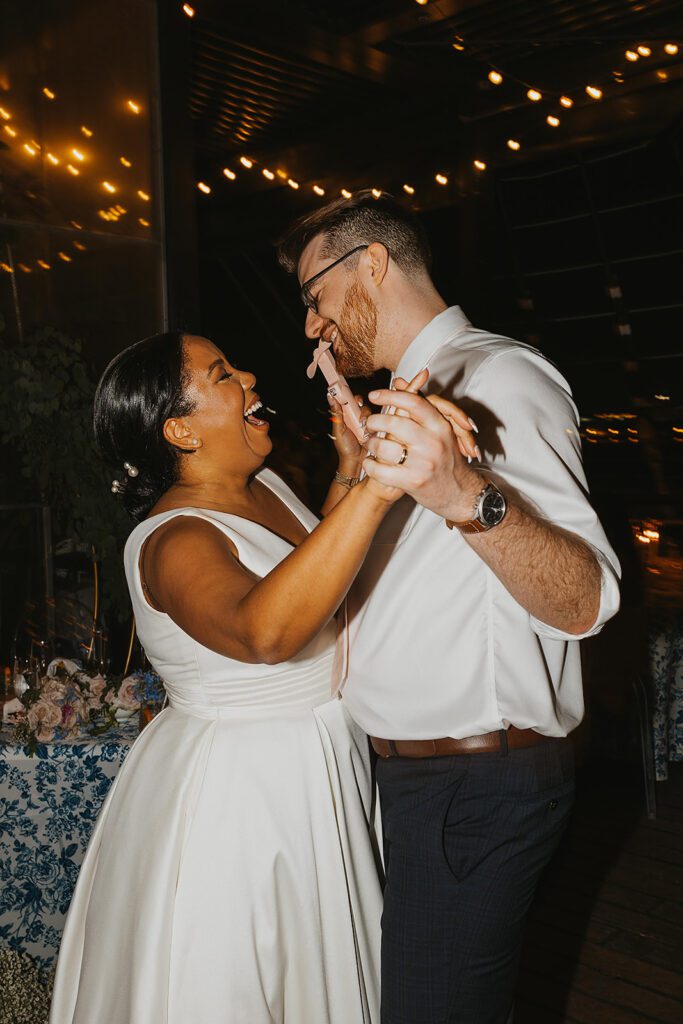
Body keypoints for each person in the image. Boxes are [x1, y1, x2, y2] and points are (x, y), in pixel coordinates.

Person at [49, 330, 476, 1024]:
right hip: (243, 796)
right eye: (221, 374)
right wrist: (376, 484)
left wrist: (345, 471)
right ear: (181, 430)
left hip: (316, 763)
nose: (247, 374)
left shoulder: (268, 485)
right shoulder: (172, 539)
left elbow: (314, 582)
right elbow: (266, 632)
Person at [278, 191, 622, 1024]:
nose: (311, 327)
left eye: (313, 296)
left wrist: (465, 493)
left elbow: (586, 600)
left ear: (370, 264)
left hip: (472, 784)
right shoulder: (402, 400)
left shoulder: (500, 375)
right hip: (408, 777)